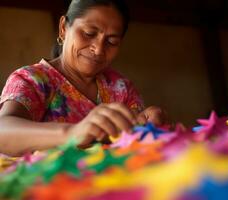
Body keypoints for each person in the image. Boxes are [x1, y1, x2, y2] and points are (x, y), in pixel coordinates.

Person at [0, 0, 166, 156]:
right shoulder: (33, 80)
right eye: (89, 33)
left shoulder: (120, 87)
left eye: (112, 41)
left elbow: (135, 136)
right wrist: (73, 133)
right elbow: (3, 131)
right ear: (63, 28)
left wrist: (148, 123)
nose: (99, 49)